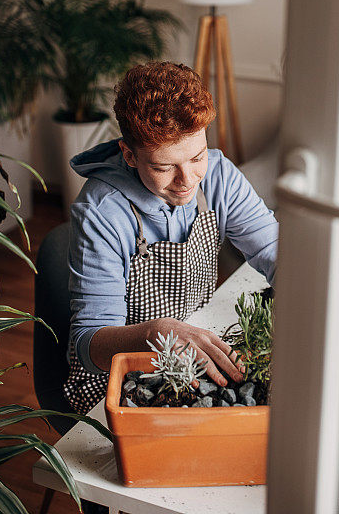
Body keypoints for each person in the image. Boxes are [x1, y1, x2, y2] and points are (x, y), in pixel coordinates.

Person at [63, 61, 278, 415]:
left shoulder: (219, 176)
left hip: (194, 341)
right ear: (129, 155)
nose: (187, 180)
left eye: (196, 157)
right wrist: (157, 333)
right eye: (164, 167)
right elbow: (89, 345)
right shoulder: (101, 212)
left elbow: (272, 248)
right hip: (118, 374)